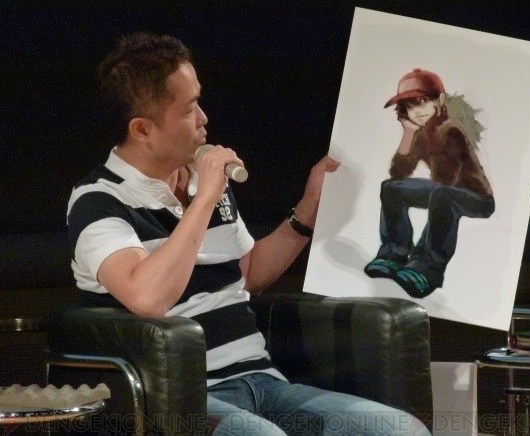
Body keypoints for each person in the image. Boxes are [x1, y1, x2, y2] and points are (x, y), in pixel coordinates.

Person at [67, 33, 429, 435]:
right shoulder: (99, 200)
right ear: (142, 130)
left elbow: (250, 272)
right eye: (189, 109)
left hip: (263, 382)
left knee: (401, 430)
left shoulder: (200, 180)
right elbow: (148, 298)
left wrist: (307, 211)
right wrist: (206, 198)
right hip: (184, 399)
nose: (203, 118)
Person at [364, 68, 495, 298]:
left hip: (477, 198)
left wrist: (430, 138)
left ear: (440, 100)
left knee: (443, 196)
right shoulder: (420, 134)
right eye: (409, 106)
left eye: (423, 102)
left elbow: (445, 180)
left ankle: (426, 269)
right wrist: (408, 134)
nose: (416, 111)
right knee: (391, 189)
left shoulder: (451, 130)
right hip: (444, 191)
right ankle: (393, 254)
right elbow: (398, 173)